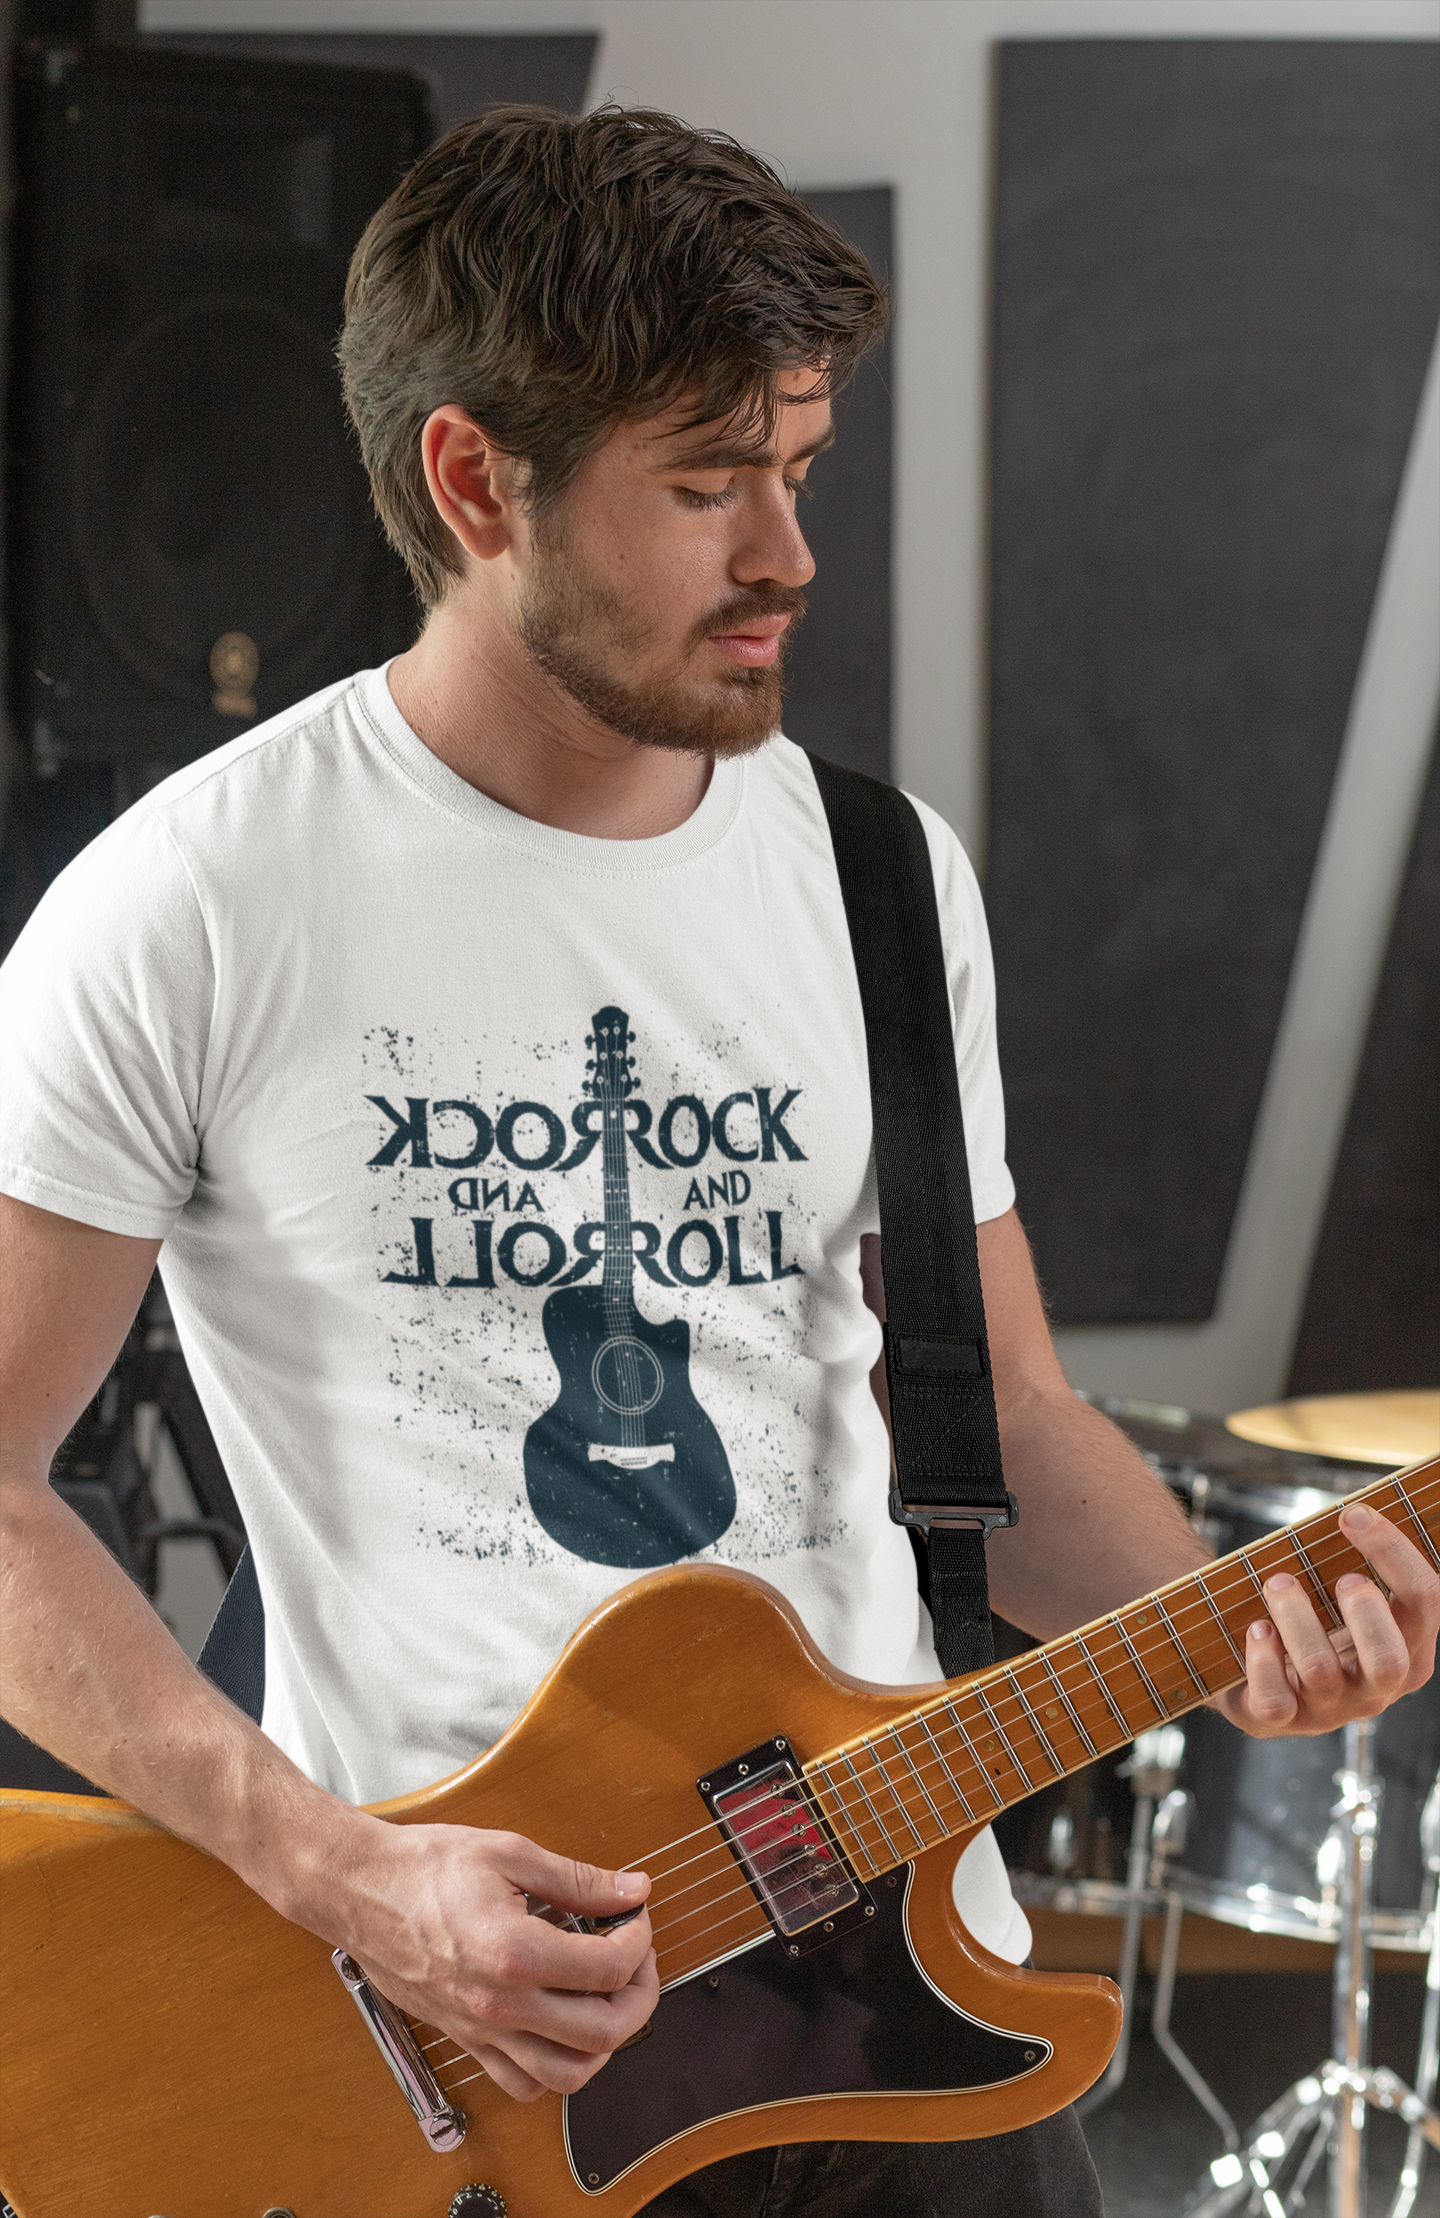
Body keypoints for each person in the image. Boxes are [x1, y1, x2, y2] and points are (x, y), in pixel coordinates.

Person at [0, 105, 1433, 2218]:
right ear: (474, 481)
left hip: (909, 1997)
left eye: (802, 469)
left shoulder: (880, 878)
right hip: (477, 2049)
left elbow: (1005, 1418)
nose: (787, 553)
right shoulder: (191, 907)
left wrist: (1248, 1635)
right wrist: (348, 1872)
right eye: (705, 484)